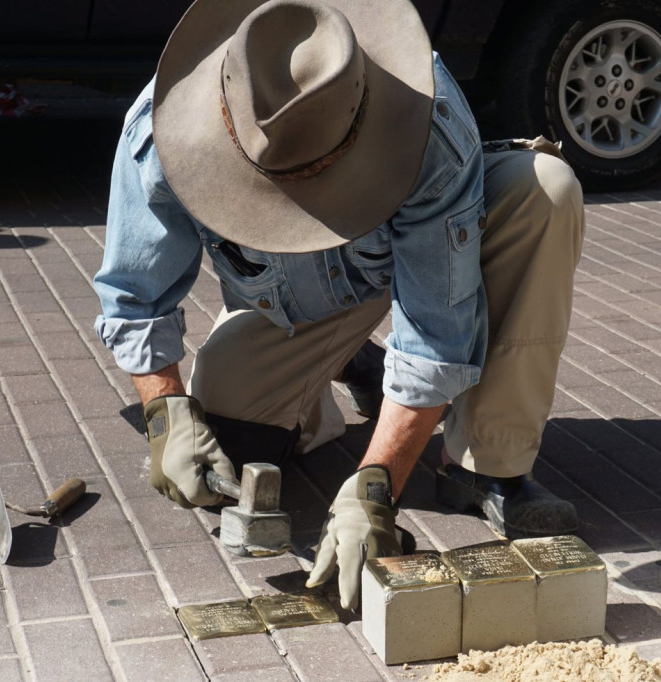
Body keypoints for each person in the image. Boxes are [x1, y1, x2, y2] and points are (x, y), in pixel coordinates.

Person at [93, 0, 586, 610]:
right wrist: (165, 411)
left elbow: (436, 327)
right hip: (290, 305)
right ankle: (348, 368)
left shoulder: (427, 124)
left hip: (418, 262)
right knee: (225, 445)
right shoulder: (159, 132)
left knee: (546, 191)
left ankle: (488, 463)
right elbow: (133, 296)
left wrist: (376, 488)